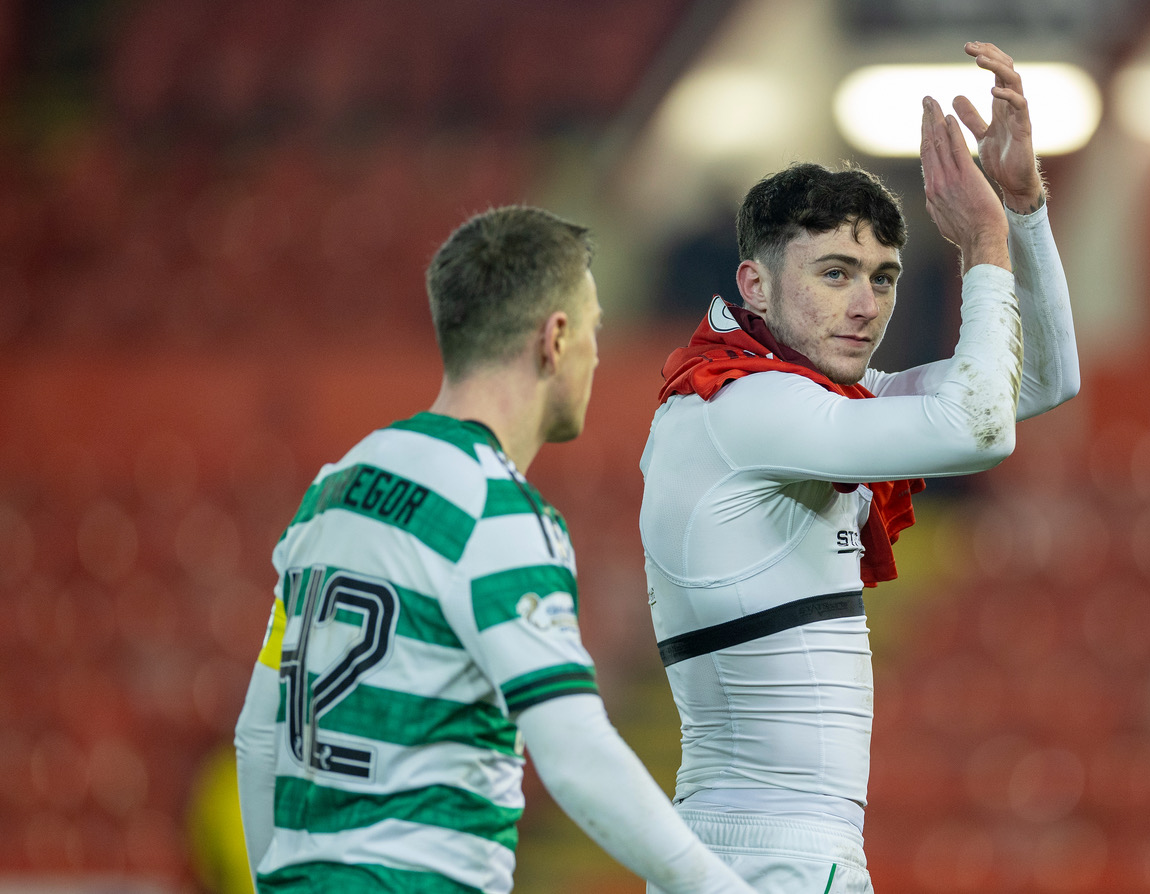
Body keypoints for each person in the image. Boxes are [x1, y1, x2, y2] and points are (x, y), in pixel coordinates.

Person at [638, 42, 1080, 892]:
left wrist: (1023, 211)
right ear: (754, 287)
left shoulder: (790, 404)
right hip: (774, 856)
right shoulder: (744, 406)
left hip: (753, 849)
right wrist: (983, 239)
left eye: (882, 277)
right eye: (834, 273)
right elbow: (979, 429)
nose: (865, 304)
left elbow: (1042, 381)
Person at [234, 206, 756, 893]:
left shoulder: (333, 491)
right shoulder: (493, 509)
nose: (598, 354)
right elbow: (573, 752)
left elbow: (257, 738)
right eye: (595, 328)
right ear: (556, 338)